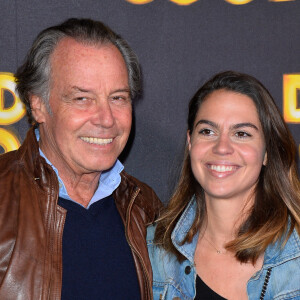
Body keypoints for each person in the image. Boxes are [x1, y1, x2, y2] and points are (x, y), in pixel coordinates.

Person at [0, 18, 162, 300]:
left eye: (118, 98)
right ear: (38, 104)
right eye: (82, 99)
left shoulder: (144, 208)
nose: (106, 119)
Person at [147, 71, 300, 300]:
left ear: (267, 151)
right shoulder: (154, 250)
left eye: (241, 133)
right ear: (190, 143)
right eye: (208, 131)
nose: (221, 147)